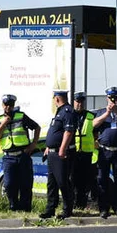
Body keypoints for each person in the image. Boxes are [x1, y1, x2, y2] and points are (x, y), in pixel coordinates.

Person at [0, 94, 40, 211]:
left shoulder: (21, 116)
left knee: (26, 184)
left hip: (23, 155)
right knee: (9, 184)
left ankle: (26, 208)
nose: (8, 107)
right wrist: (3, 124)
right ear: (2, 105)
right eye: (6, 105)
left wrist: (34, 144)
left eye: (11, 105)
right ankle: (13, 206)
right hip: (9, 157)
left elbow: (37, 127)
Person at [93, 86, 117, 218]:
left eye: (115, 98)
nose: (113, 100)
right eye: (110, 98)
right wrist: (107, 114)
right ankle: (104, 208)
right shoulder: (101, 112)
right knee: (102, 180)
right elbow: (94, 125)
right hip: (105, 151)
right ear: (107, 98)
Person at [40, 90, 77, 219]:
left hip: (62, 153)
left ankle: (68, 209)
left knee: (63, 182)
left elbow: (68, 132)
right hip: (52, 153)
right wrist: (48, 147)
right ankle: (50, 209)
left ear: (57, 99)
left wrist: (62, 148)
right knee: (52, 183)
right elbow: (56, 132)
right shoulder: (59, 112)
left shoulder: (68, 111)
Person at [71, 92, 97, 210]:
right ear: (74, 102)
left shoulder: (91, 116)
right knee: (73, 180)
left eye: (82, 101)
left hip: (87, 153)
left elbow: (96, 134)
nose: (79, 104)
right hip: (73, 153)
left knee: (85, 181)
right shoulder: (69, 115)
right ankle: (73, 203)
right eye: (77, 101)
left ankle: (82, 204)